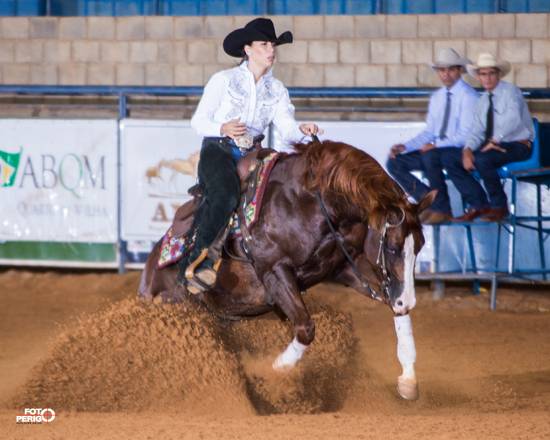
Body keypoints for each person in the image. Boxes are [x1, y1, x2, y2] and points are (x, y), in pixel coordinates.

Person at [178, 18, 321, 289]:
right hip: (217, 151)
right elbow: (198, 122)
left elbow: (287, 127)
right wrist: (222, 127)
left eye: (273, 45)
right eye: (264, 44)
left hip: (251, 155)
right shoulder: (223, 80)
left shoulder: (276, 89)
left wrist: (303, 129)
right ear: (248, 49)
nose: (271, 50)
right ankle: (199, 262)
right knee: (225, 195)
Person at [386, 48, 485, 224]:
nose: (446, 74)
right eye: (442, 70)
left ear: (459, 70)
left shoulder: (469, 96)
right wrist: (406, 146)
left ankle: (441, 208)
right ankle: (430, 201)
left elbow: (467, 135)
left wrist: (436, 146)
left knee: (432, 155)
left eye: (450, 69)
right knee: (394, 162)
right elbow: (430, 132)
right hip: (437, 151)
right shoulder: (437, 98)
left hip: (460, 150)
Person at [456, 53, 534, 222]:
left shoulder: (511, 92)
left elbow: (513, 119)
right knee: (457, 160)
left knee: (484, 160)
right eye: (483, 74)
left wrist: (495, 140)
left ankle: (500, 207)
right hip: (495, 146)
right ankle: (479, 205)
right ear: (478, 77)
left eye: (491, 73)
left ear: (498, 74)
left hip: (518, 145)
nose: (488, 78)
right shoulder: (483, 101)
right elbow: (477, 130)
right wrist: (467, 149)